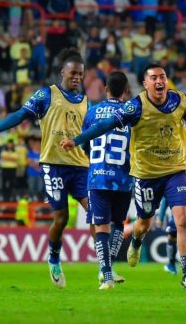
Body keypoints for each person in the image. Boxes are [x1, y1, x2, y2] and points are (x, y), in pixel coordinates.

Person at [60, 63, 186, 292]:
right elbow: (106, 124)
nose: (159, 81)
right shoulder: (135, 107)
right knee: (143, 224)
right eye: (154, 78)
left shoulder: (179, 101)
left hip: (175, 169)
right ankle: (137, 240)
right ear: (146, 84)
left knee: (181, 219)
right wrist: (78, 140)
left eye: (162, 76)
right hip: (146, 174)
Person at [0, 48, 89, 289]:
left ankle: (105, 267)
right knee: (60, 218)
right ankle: (53, 258)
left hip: (81, 165)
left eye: (80, 75)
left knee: (95, 212)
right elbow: (20, 114)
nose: (76, 78)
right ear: (63, 71)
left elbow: (89, 133)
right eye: (73, 73)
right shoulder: (46, 95)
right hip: (54, 164)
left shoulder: (85, 101)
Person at [83, 71, 133, 290]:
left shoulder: (92, 113)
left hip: (98, 178)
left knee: (100, 226)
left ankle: (106, 274)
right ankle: (110, 268)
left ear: (106, 88)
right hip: (123, 178)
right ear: (126, 90)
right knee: (118, 224)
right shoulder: (131, 113)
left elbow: (85, 144)